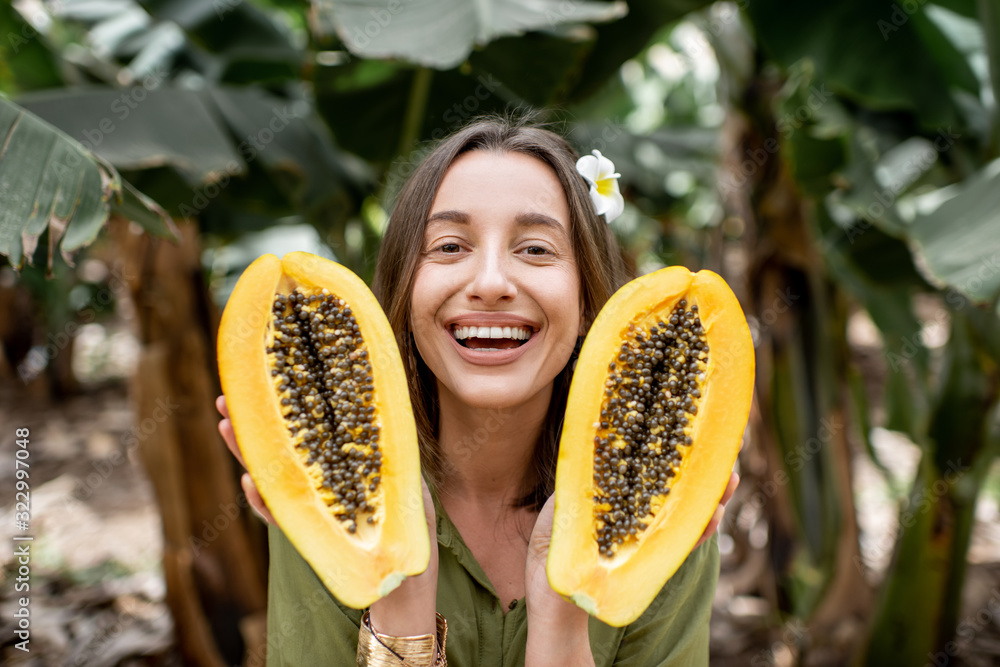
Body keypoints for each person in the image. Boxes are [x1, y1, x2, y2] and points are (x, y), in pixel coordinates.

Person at [216, 115, 738, 666]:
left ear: (587, 304)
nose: (490, 283)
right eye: (448, 247)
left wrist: (563, 620)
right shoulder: (329, 497)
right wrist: (398, 598)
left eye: (536, 249)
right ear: (404, 294)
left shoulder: (663, 512)